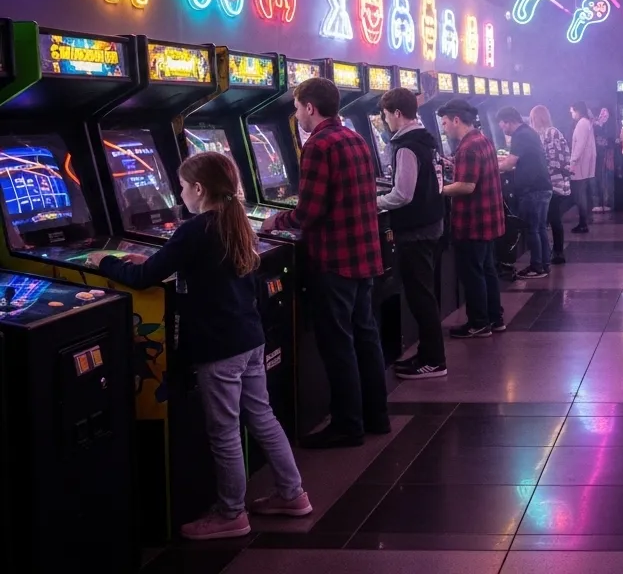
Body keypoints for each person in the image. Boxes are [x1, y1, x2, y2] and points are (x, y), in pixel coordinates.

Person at [91, 152, 310, 540]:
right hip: (249, 337)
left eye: (180, 186)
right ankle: (293, 494)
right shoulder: (236, 220)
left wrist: (105, 261)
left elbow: (144, 276)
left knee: (224, 430)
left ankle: (231, 514)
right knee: (262, 416)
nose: (178, 194)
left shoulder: (195, 230)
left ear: (198, 189)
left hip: (219, 345)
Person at [262, 77, 388, 448]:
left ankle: (348, 424)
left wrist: (274, 222)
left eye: (297, 107)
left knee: (338, 344)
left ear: (310, 108)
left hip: (335, 259)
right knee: (366, 337)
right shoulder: (355, 137)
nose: (296, 113)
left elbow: (311, 211)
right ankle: (376, 416)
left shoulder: (318, 144)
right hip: (364, 254)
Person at [375, 88, 449, 380]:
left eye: (385, 115)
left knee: (421, 297)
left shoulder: (406, 145)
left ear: (396, 113)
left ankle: (434, 359)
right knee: (423, 294)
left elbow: (403, 194)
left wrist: (374, 202)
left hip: (416, 230)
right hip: (431, 223)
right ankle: (429, 354)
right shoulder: (426, 139)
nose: (384, 121)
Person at [438, 100, 507, 337]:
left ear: (456, 120)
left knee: (473, 273)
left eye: (445, 122)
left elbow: (466, 186)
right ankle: (495, 318)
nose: (444, 127)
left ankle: (478, 322)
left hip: (473, 221)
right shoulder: (483, 139)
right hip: (488, 219)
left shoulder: (467, 147)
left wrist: (439, 189)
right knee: (487, 270)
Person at [496, 106, 553, 278]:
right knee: (540, 228)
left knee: (531, 229)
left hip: (532, 189)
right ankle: (544, 264)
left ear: (508, 122)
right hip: (542, 186)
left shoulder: (520, 135)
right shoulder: (528, 131)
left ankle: (537, 267)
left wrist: (488, 166)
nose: (501, 129)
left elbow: (510, 163)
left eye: (501, 125)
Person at [530, 105, 572, 266]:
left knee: (552, 218)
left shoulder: (550, 133)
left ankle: (557, 252)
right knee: (551, 218)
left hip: (552, 182)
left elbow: (553, 159)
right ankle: (553, 251)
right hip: (554, 181)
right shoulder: (550, 132)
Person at [568, 101, 596, 232]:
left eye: (572, 111)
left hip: (580, 163)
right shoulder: (586, 123)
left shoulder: (582, 124)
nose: (571, 113)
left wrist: (572, 162)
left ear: (578, 111)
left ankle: (583, 222)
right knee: (583, 192)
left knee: (580, 194)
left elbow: (579, 146)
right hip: (586, 162)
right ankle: (585, 220)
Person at [591, 104, 615, 212]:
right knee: (598, 178)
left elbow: (612, 139)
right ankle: (598, 203)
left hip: (607, 155)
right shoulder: (594, 124)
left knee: (606, 180)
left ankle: (607, 203)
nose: (604, 115)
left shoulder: (610, 125)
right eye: (602, 113)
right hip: (597, 155)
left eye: (606, 113)